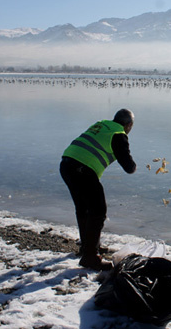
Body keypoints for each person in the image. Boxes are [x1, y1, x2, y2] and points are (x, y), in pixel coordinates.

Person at [60, 109, 137, 271]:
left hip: (66, 164)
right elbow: (128, 167)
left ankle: (88, 246)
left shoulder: (101, 124)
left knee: (83, 208)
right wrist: (134, 166)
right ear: (129, 124)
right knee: (98, 211)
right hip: (82, 169)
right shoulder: (119, 134)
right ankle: (90, 257)